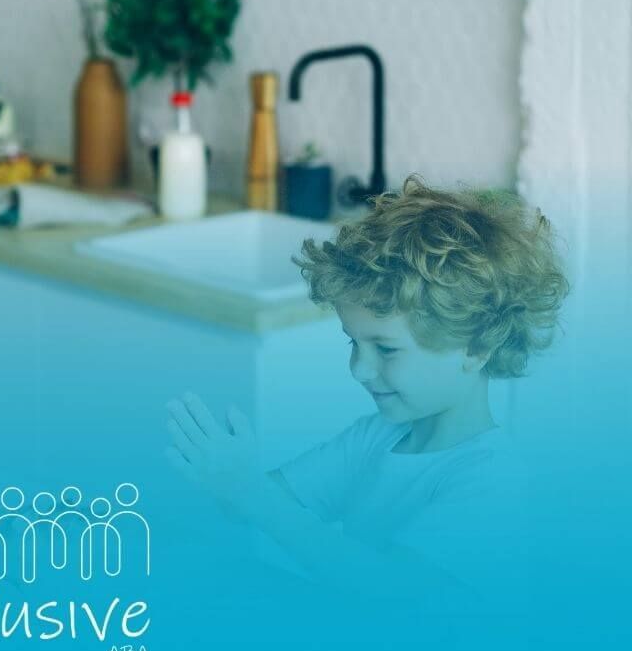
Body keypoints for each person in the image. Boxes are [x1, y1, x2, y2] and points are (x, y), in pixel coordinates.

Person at [166, 176, 568, 609]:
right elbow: (253, 503)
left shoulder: (490, 479)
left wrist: (252, 497)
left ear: (477, 346)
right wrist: (230, 478)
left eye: (386, 348)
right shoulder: (375, 438)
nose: (359, 368)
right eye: (353, 342)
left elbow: (394, 594)